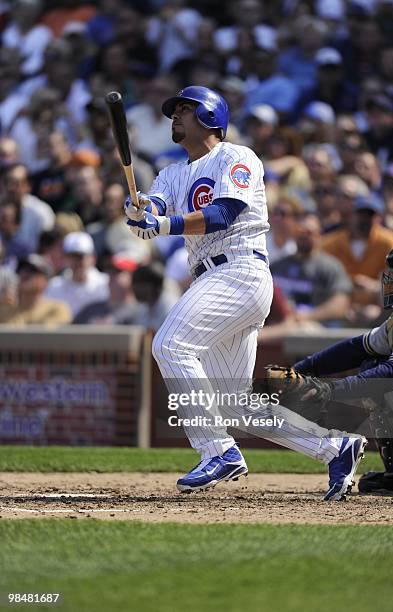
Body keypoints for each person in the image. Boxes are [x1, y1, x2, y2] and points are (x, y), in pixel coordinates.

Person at [123, 85, 366, 501]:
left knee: (169, 344)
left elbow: (222, 214)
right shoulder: (170, 171)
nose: (175, 117)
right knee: (235, 403)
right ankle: (335, 447)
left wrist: (163, 225)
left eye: (185, 109)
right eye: (174, 111)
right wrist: (141, 212)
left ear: (211, 117)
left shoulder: (237, 157)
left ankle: (216, 450)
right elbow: (158, 207)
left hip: (239, 269)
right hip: (212, 278)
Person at [293, 241, 393, 495]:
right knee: (370, 363)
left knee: (379, 378)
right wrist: (302, 369)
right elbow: (357, 348)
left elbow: (391, 373)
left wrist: (329, 390)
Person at [271, 213, 352, 326]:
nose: (303, 236)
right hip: (278, 324)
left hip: (312, 327)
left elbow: (340, 305)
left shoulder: (331, 267)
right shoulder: (277, 266)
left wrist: (306, 316)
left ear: (319, 235)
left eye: (309, 232)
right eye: (300, 232)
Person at [45, 231, 109, 317]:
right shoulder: (54, 286)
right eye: (72, 256)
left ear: (92, 258)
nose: (77, 262)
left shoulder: (106, 284)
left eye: (81, 256)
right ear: (65, 258)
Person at [0, 254, 71, 326]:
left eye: (33, 270)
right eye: (22, 269)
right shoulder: (4, 312)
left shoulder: (57, 310)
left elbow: (46, 334)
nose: (25, 273)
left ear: (45, 280)